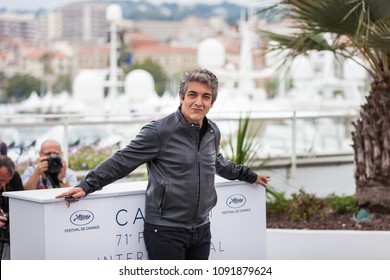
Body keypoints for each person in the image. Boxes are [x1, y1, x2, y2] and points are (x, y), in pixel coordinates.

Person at [56, 68, 270, 260]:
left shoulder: (212, 131)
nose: (198, 102)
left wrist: (249, 176)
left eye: (205, 97)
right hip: (165, 231)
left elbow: (217, 162)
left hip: (202, 229)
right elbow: (122, 160)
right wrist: (87, 185)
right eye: (192, 94)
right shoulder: (160, 131)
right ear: (181, 97)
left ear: (212, 102)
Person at [0, 155, 23, 260]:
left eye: (6, 181)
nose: (2, 184)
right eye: (0, 180)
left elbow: (22, 203)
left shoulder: (15, 177)